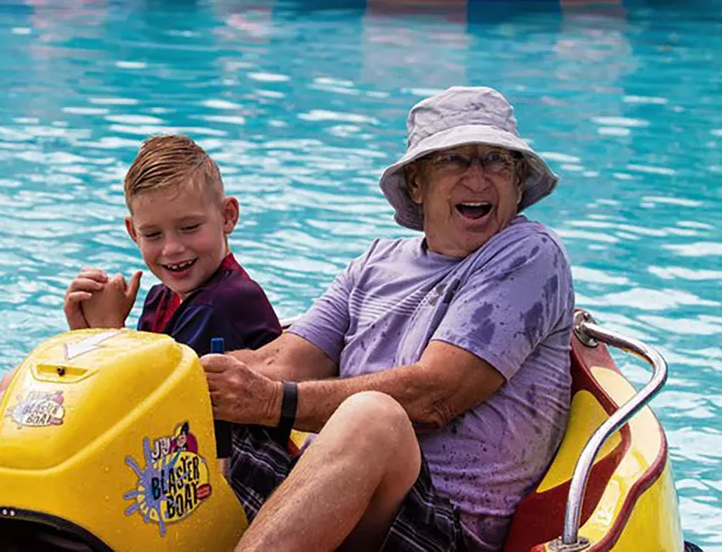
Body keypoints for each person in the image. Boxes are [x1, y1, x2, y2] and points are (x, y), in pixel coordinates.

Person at [202, 86, 574, 552]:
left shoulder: (529, 253)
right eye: (455, 160)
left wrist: (272, 402)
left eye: (497, 161)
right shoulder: (375, 263)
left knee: (375, 416)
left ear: (518, 184)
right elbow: (281, 361)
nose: (478, 178)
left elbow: (435, 396)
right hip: (332, 494)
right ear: (417, 184)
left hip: (443, 527)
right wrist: (162, 369)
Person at [0, 134, 290, 518]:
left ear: (228, 216)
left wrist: (107, 332)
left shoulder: (227, 301)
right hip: (175, 467)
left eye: (190, 227)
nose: (172, 249)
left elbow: (152, 405)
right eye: (153, 234)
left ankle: (21, 510)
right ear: (133, 232)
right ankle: (8, 502)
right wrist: (88, 335)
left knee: (19, 406)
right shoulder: (162, 297)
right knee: (12, 388)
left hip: (234, 482)